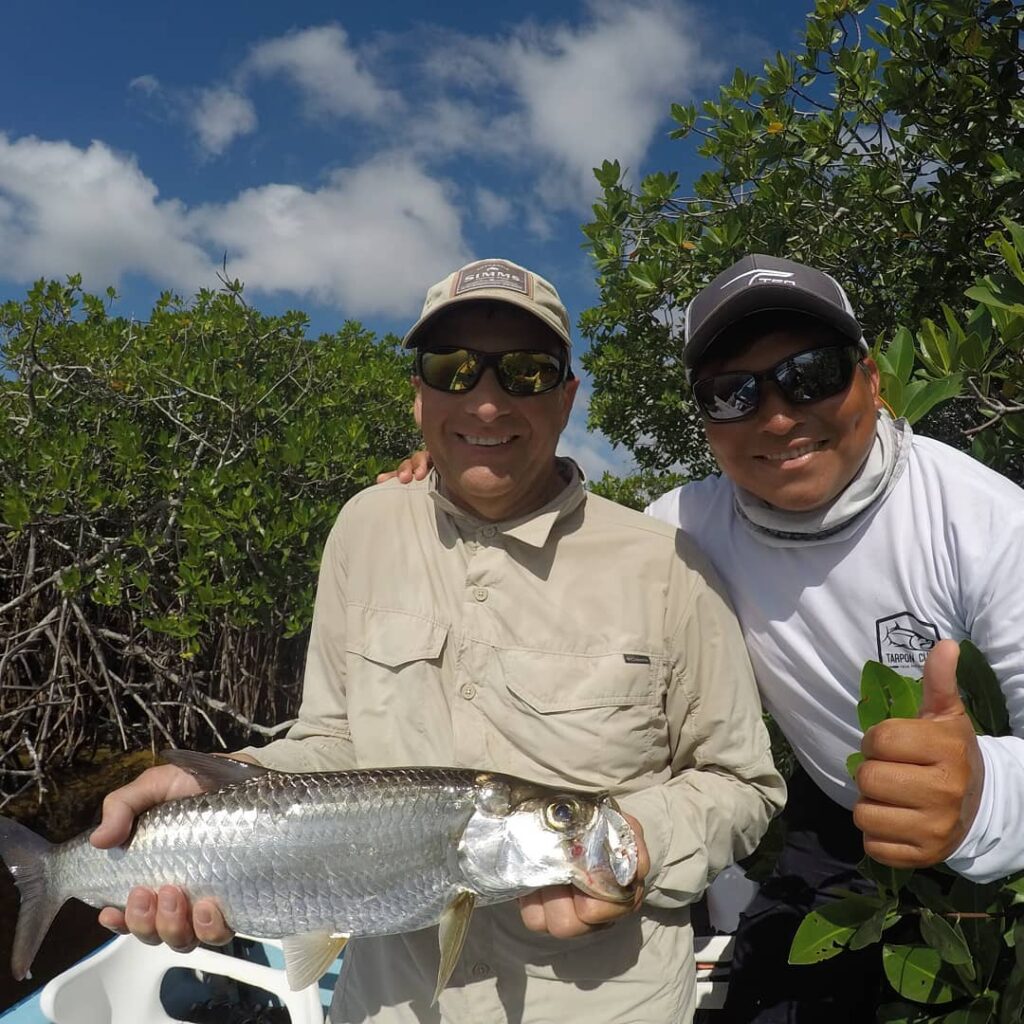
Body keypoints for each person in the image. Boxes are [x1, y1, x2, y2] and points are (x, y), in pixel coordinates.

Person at [90, 257, 785, 1024]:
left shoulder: (669, 563)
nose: (486, 403)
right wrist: (226, 786)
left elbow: (743, 782)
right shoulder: (366, 525)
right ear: (418, 395)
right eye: (452, 369)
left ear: (566, 397)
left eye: (525, 372)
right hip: (388, 1001)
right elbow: (334, 739)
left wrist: (636, 848)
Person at [386, 253, 1024, 1022]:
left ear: (871, 377)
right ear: (706, 419)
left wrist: (983, 795)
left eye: (812, 374)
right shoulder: (682, 528)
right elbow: (572, 545)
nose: (780, 416)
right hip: (837, 815)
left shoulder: (989, 526)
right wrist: (450, 481)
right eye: (735, 393)